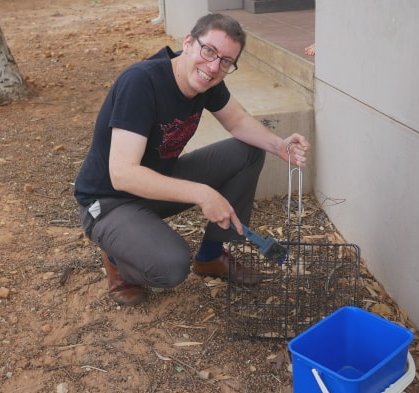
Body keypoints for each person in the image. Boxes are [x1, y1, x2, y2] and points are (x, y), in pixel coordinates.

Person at [74, 13, 310, 305]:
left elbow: (237, 121)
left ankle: (211, 256)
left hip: (157, 185)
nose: (213, 67)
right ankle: (116, 256)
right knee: (171, 266)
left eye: (226, 61)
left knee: (247, 152)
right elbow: (122, 173)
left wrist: (278, 146)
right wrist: (202, 193)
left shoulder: (208, 81)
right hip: (110, 201)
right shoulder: (141, 83)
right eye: (208, 50)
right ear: (188, 42)